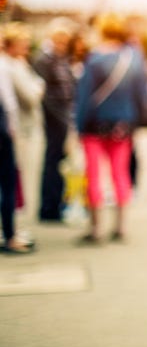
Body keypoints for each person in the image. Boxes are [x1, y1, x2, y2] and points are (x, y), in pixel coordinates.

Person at [74, 13, 147, 243]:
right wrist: (136, 122)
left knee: (94, 175)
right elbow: (142, 96)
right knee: (121, 174)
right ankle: (121, 227)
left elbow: (84, 98)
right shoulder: (134, 59)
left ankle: (96, 229)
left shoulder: (95, 59)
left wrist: (79, 127)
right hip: (123, 126)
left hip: (94, 125)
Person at [34, 17, 76, 222]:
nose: (62, 44)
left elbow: (70, 87)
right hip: (54, 120)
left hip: (64, 117)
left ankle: (59, 204)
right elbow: (44, 94)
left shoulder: (62, 59)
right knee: (53, 161)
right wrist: (62, 119)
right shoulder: (44, 59)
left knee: (61, 162)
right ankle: (49, 208)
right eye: (59, 40)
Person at [4, 22, 47, 218]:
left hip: (22, 128)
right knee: (16, 178)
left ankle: (14, 224)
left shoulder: (20, 64)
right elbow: (31, 96)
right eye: (23, 42)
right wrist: (38, 87)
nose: (27, 46)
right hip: (19, 130)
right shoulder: (10, 67)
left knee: (18, 179)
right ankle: (12, 225)